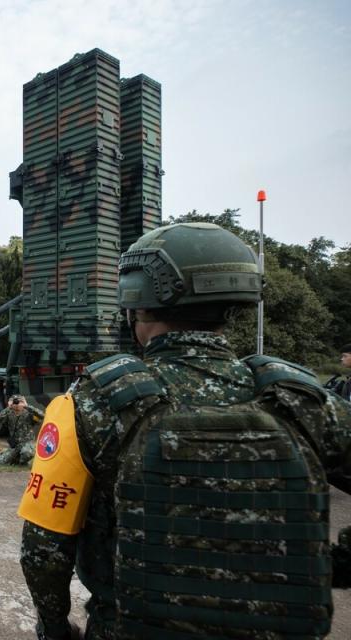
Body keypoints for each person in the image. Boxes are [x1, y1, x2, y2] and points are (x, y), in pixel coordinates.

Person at [18, 223, 351, 640]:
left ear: (135, 307)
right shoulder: (307, 402)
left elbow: (44, 549)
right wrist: (330, 563)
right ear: (232, 305)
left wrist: (53, 630)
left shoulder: (88, 403)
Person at [0, 395, 42, 466]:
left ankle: (22, 462)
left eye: (19, 401)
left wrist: (27, 406)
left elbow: (42, 415)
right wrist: (8, 407)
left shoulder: (29, 413)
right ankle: (16, 458)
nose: (17, 404)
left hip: (26, 443)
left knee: (27, 453)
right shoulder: (9, 413)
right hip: (15, 444)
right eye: (15, 402)